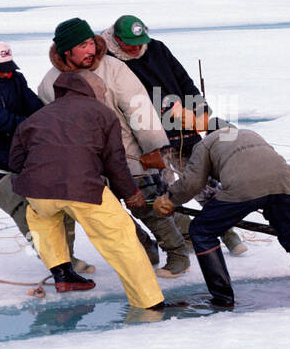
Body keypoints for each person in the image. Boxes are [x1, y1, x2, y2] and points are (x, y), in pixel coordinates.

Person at [38, 18, 190, 279]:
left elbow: (140, 111)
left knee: (147, 206)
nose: (90, 50)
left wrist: (154, 151)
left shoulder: (113, 69)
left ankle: (178, 255)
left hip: (128, 155)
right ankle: (145, 249)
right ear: (66, 51)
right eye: (82, 46)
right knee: (112, 217)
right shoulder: (50, 82)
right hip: (89, 164)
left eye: (90, 43)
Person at [10, 71, 169, 311]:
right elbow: (114, 162)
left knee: (42, 218)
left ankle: (63, 274)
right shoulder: (103, 114)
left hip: (37, 191)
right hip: (82, 188)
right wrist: (130, 193)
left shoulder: (36, 118)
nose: (103, 97)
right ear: (92, 91)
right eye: (102, 93)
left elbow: (15, 162)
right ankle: (150, 301)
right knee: (120, 237)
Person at [101, 14, 248, 256]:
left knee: (203, 182)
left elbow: (183, 80)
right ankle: (186, 238)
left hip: (182, 125)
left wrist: (199, 108)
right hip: (148, 135)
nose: (137, 48)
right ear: (116, 39)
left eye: (140, 41)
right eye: (130, 43)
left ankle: (228, 232)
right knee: (164, 192)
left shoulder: (157, 48)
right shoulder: (109, 61)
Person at [153, 126, 290, 306]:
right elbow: (285, 175)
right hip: (283, 185)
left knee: (202, 231)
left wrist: (170, 199)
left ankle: (223, 298)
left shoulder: (206, 143)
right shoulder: (252, 135)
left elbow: (193, 182)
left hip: (241, 188)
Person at [0, 39, 93, 274]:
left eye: (8, 68)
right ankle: (58, 266)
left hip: (24, 155)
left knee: (57, 204)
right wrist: (31, 125)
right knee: (26, 214)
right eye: (0, 70)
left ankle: (67, 258)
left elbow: (33, 105)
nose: (4, 74)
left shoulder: (15, 79)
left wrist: (48, 121)